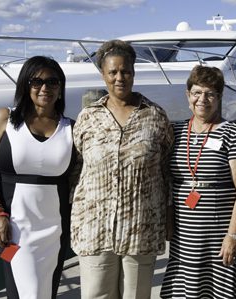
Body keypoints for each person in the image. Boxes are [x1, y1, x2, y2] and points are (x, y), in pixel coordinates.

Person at [70, 39, 173, 299]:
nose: (119, 77)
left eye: (125, 71)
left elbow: (165, 169)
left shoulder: (155, 116)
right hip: (94, 229)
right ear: (103, 74)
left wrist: (168, 216)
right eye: (112, 72)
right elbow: (78, 167)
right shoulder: (88, 117)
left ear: (133, 72)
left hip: (141, 229)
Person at [0, 56, 75, 298]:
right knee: (24, 290)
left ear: (60, 88)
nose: (45, 88)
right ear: (25, 85)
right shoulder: (5, 119)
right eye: (36, 81)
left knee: (45, 292)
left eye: (52, 82)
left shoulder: (71, 128)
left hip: (55, 231)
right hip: (13, 228)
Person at [160, 65, 236, 299]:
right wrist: (169, 220)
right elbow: (167, 182)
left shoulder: (233, 134)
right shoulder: (176, 131)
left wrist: (232, 236)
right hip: (185, 236)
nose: (203, 99)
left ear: (219, 97)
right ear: (188, 95)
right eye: (197, 92)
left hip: (219, 234)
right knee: (186, 291)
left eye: (210, 93)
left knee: (221, 291)